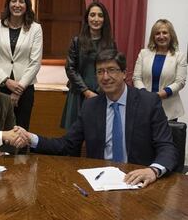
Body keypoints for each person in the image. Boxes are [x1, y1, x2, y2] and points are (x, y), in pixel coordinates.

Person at [15, 49, 178, 188]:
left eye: (111, 70)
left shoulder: (148, 103)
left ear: (124, 73)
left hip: (139, 181)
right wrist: (31, 138)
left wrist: (153, 170)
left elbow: (167, 147)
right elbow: (66, 145)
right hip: (101, 183)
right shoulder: (90, 107)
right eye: (100, 71)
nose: (105, 77)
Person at [0, 0, 43, 130]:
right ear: (8, 4)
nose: (17, 5)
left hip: (24, 89)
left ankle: (21, 154)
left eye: (21, 1)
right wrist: (6, 81)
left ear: (27, 6)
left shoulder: (35, 29)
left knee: (21, 132)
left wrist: (18, 89)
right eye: (14, 1)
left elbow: (35, 62)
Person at [60, 1, 116, 129]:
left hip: (102, 94)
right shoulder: (76, 41)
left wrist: (98, 92)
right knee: (74, 138)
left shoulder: (110, 43)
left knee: (98, 134)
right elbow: (70, 68)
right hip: (78, 93)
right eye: (92, 15)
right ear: (87, 18)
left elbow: (113, 70)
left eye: (100, 15)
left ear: (104, 19)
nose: (96, 19)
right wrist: (86, 91)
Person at [133, 19, 187, 120]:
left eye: (165, 33)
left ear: (171, 35)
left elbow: (180, 82)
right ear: (153, 36)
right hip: (145, 105)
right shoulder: (143, 54)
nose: (161, 36)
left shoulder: (179, 56)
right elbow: (136, 78)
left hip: (169, 109)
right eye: (157, 33)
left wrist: (160, 95)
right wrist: (146, 95)